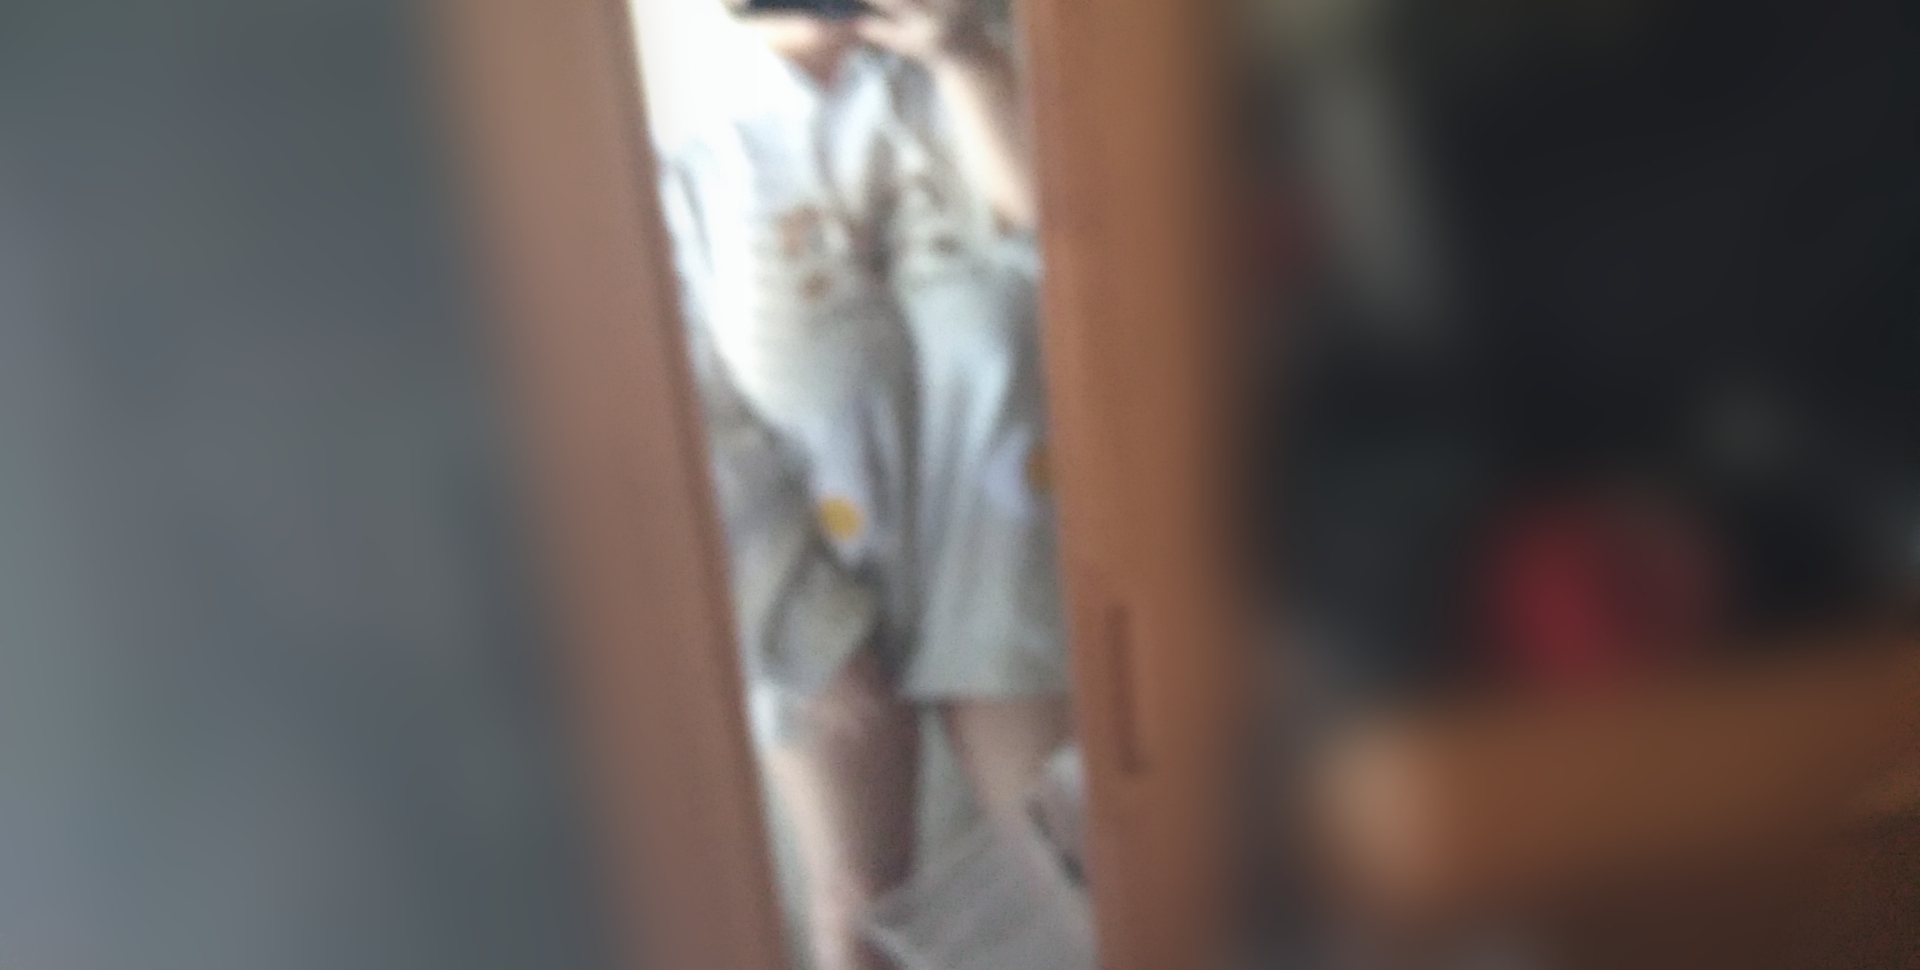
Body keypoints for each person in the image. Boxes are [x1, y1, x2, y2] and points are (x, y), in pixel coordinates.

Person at [647, 1, 1073, 967]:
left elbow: (1068, 262)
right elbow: (692, 412)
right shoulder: (684, 137)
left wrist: (962, 57)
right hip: (797, 556)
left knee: (1062, 857)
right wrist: (808, 628)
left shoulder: (968, 65)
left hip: (992, 535)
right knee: (856, 895)